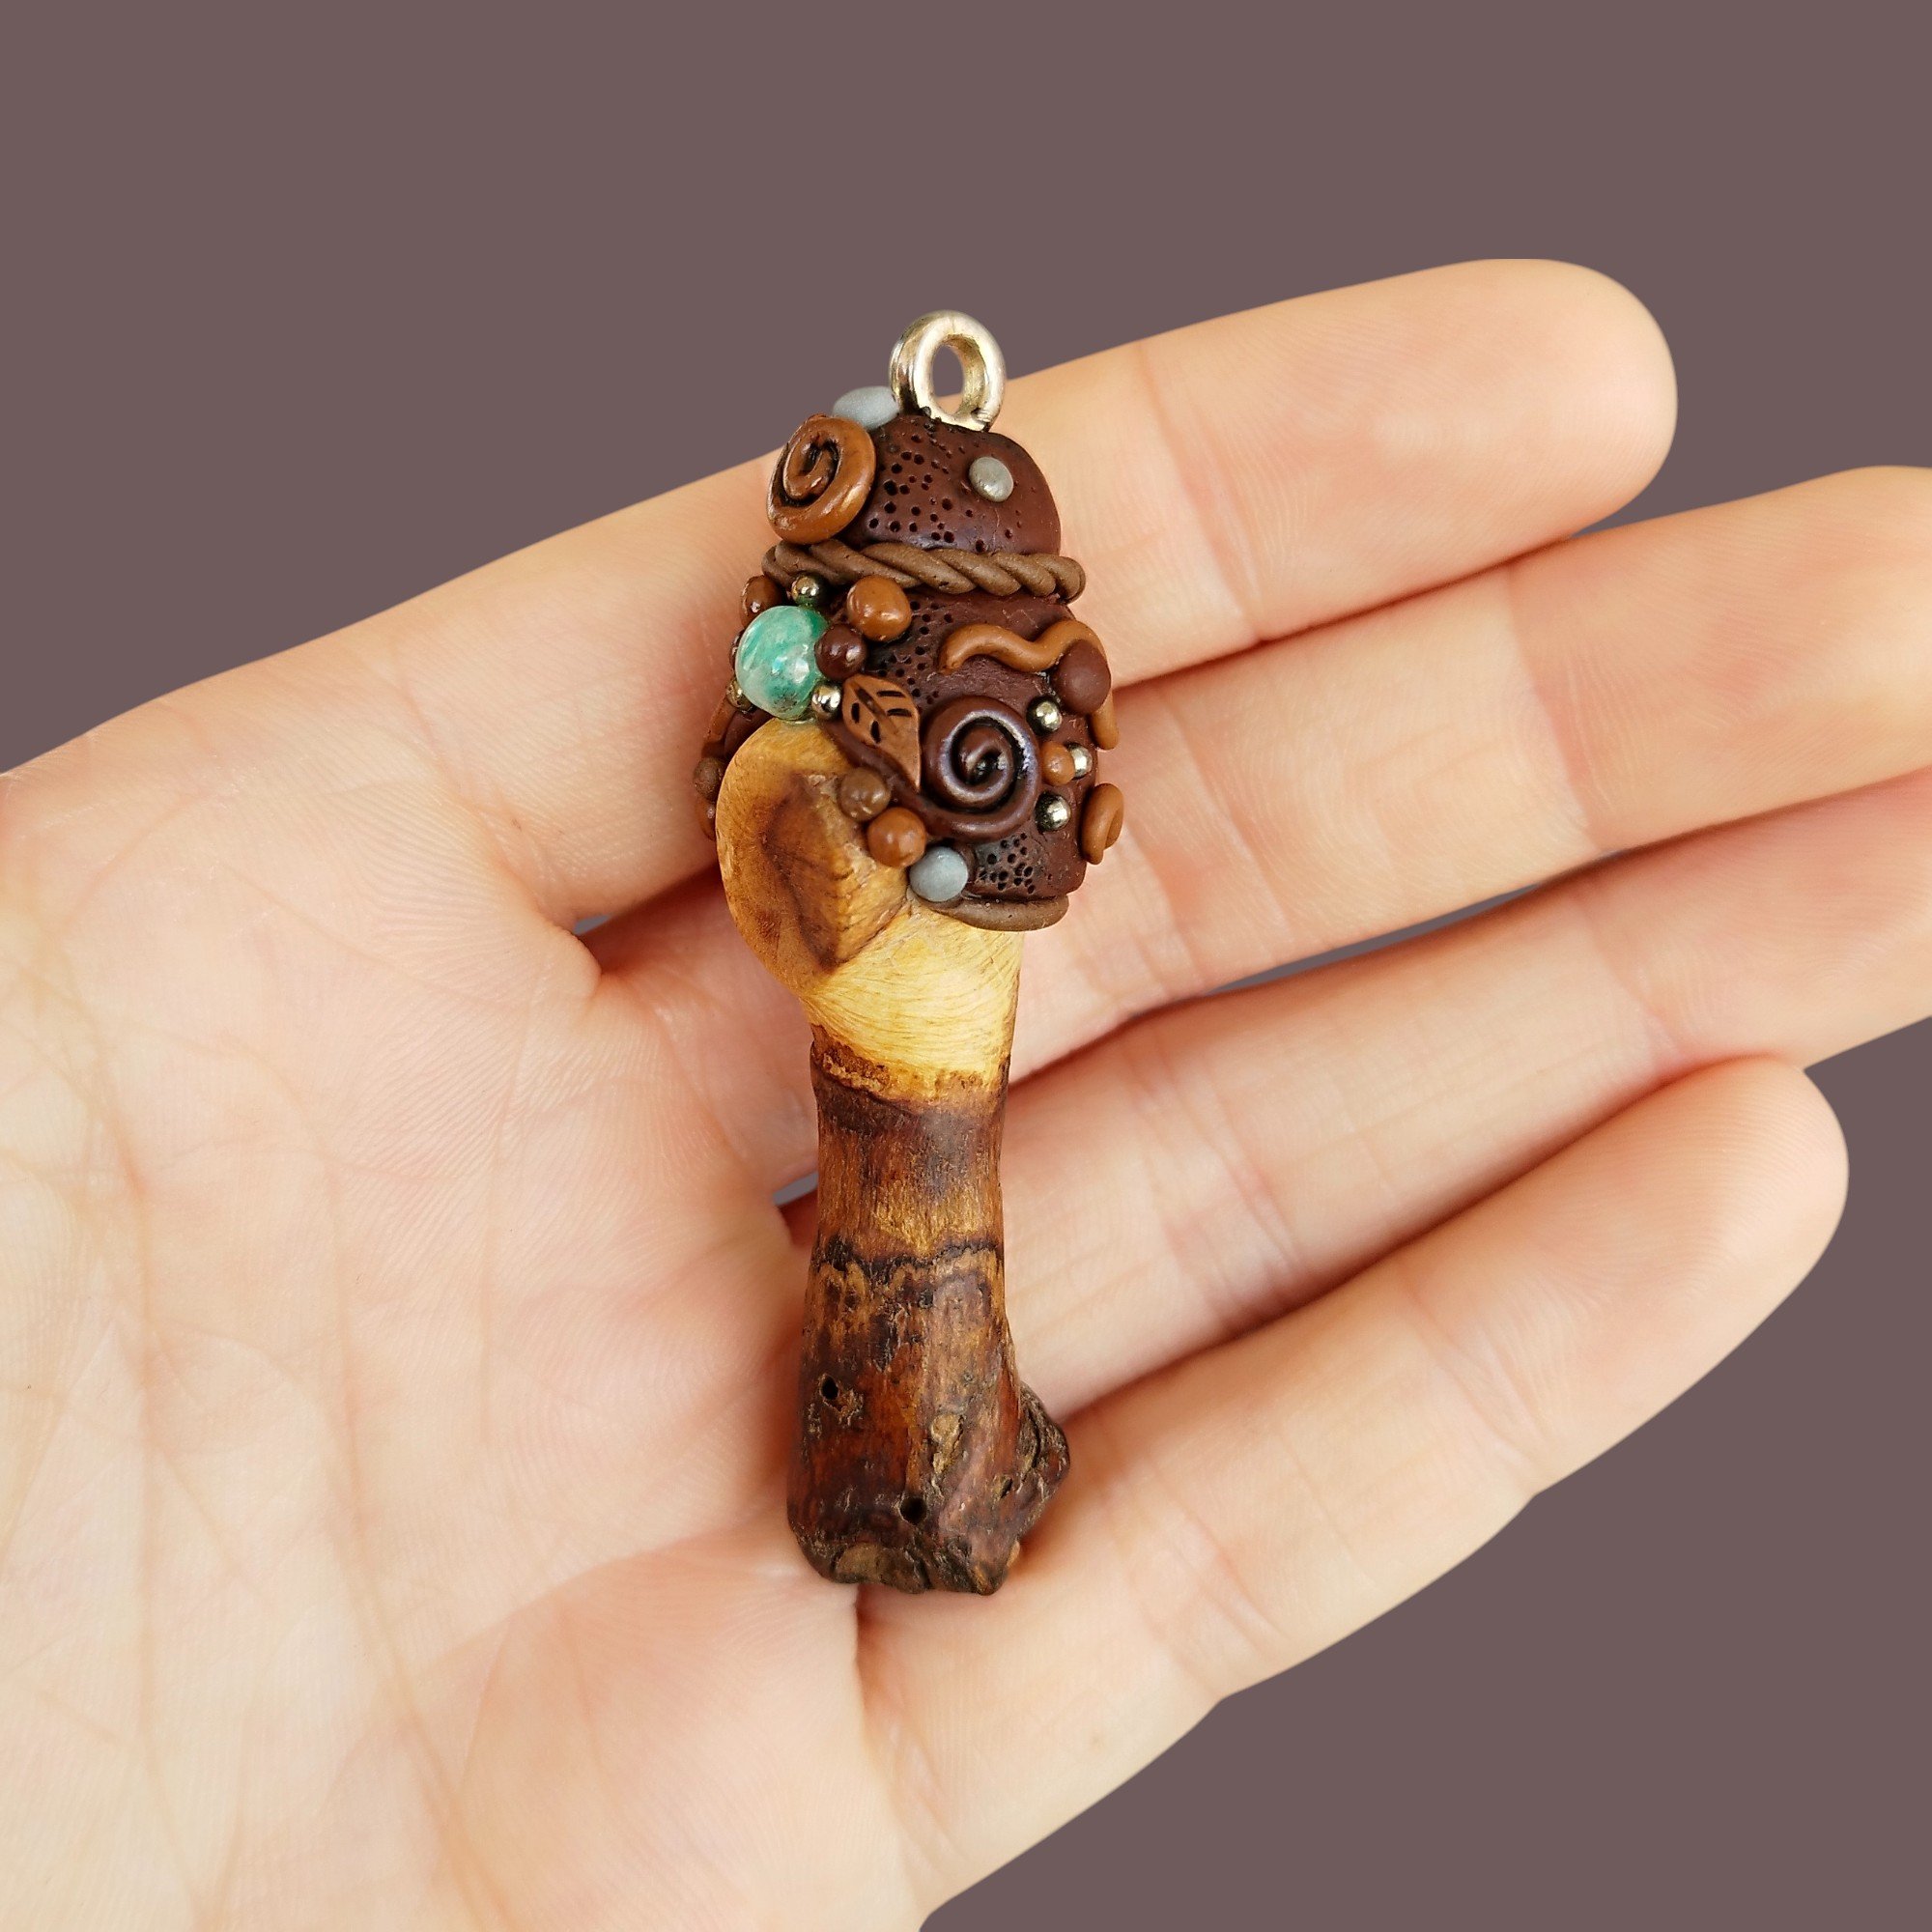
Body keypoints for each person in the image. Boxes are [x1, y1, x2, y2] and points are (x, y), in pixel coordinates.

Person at [0, 262, 1924, 1928]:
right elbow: (814, 795)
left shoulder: (875, 685)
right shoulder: (850, 719)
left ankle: (917, 1455)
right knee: (917, 1168)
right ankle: (912, 1456)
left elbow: (867, 783)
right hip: (907, 915)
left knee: (919, 1167)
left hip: (929, 911)